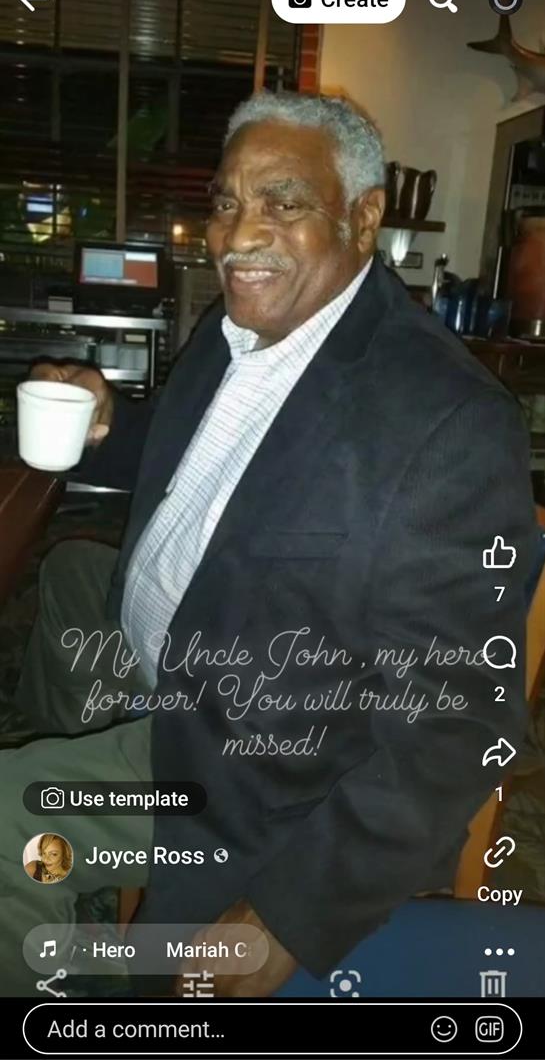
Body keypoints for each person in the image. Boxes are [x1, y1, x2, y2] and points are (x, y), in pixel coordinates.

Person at [0, 91, 537, 997]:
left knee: (8, 819)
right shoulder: (240, 327)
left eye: (282, 203)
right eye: (225, 202)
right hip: (185, 674)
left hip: (262, 770)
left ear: (362, 217)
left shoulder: (444, 422)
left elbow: (459, 719)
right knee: (71, 577)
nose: (238, 235)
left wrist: (293, 910)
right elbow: (196, 449)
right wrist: (105, 421)